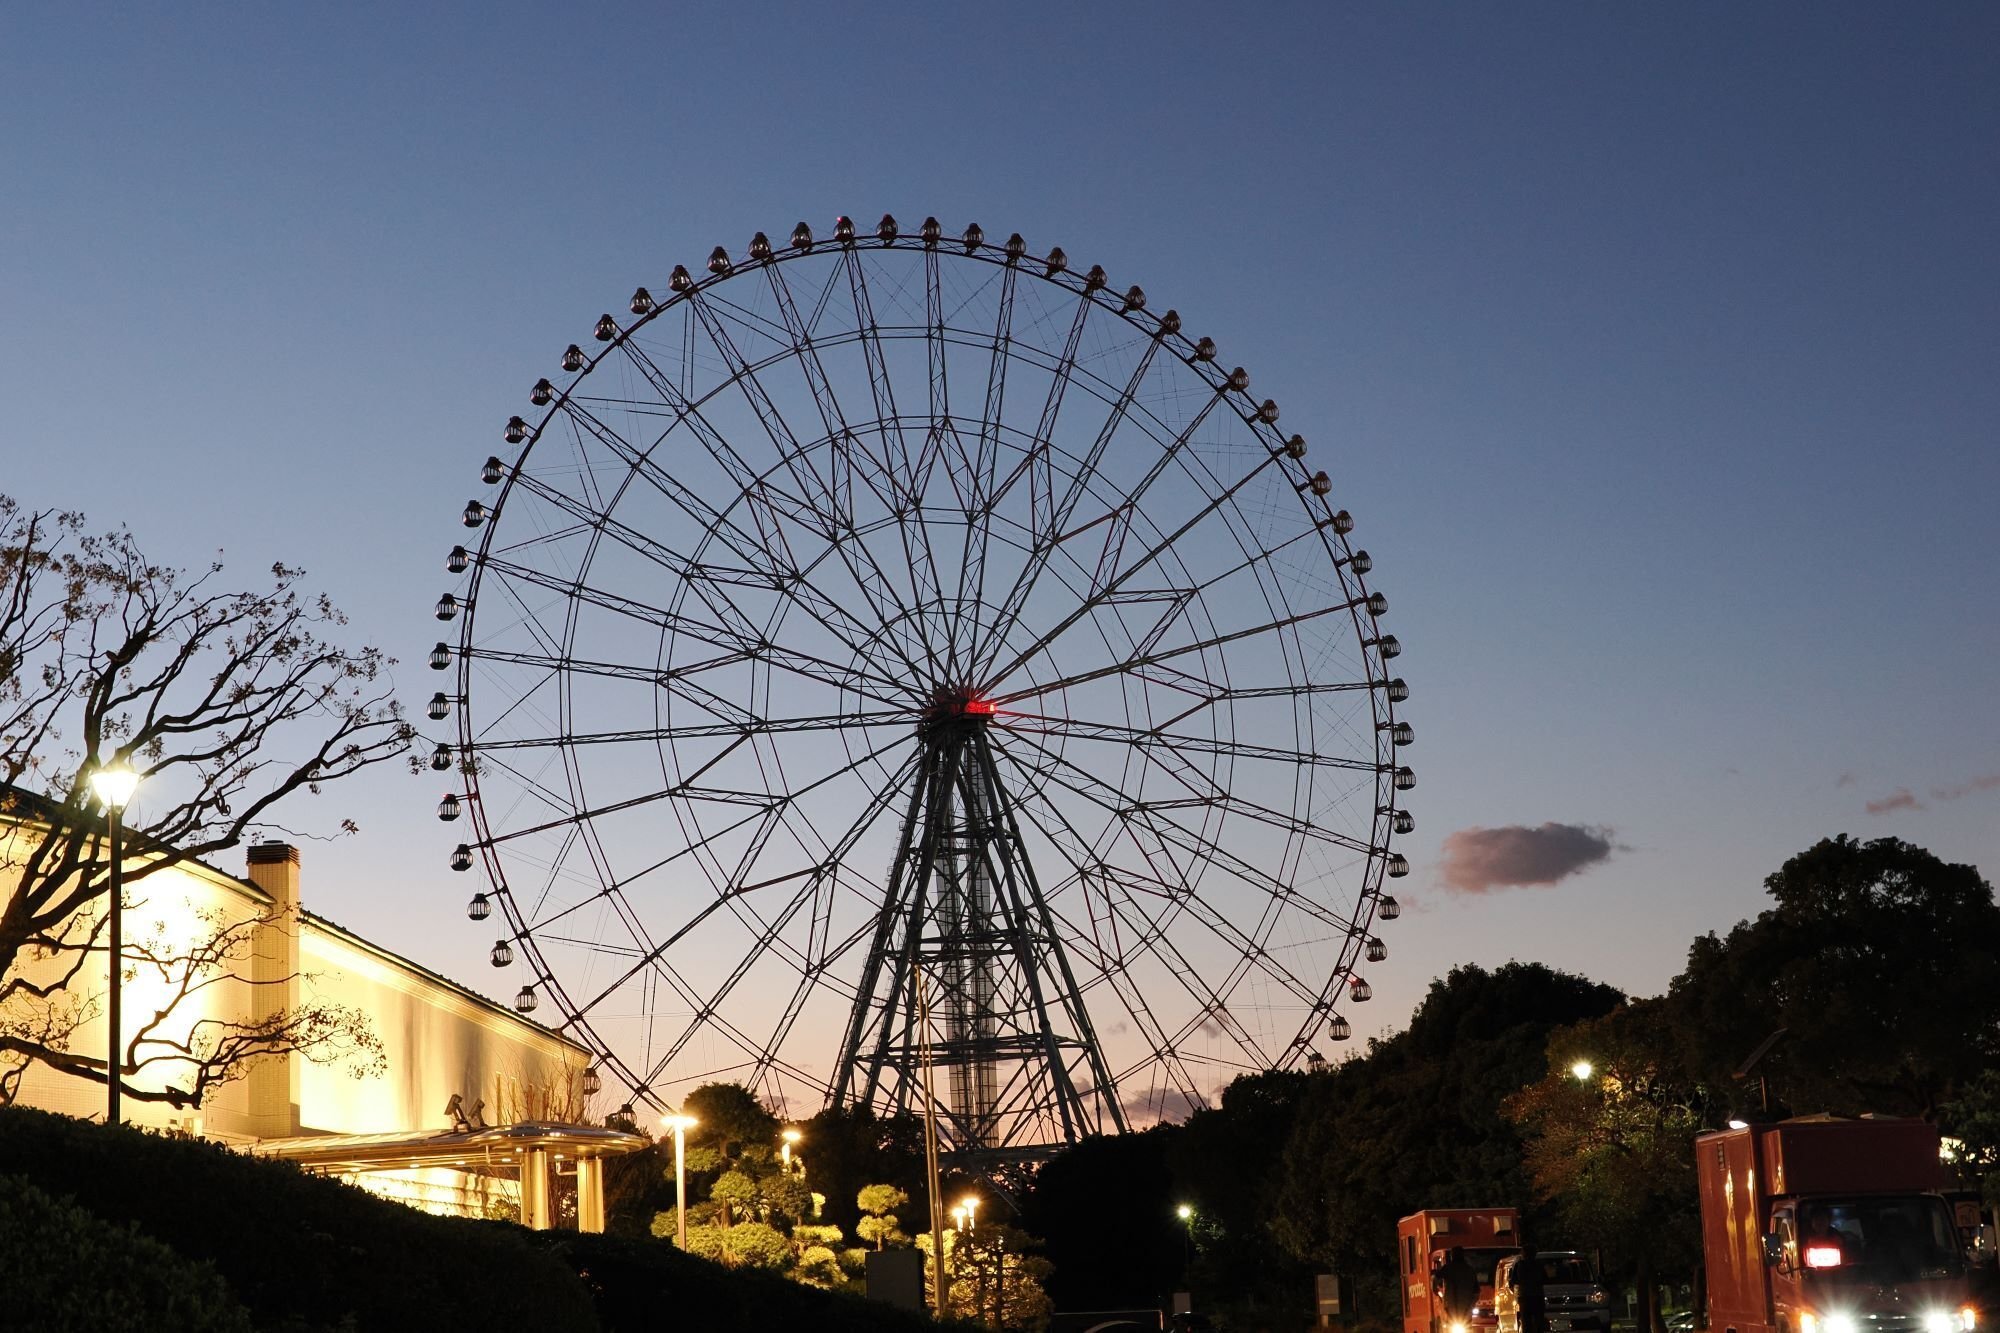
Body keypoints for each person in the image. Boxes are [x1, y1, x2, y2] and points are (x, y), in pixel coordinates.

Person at [1438, 1248, 1482, 1330]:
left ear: (1452, 1256)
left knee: (1451, 1327)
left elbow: (1437, 1277)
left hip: (1451, 1308)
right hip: (1466, 1309)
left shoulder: (1448, 1268)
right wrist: (1471, 1304)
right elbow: (1477, 1291)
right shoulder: (1470, 1270)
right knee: (1466, 1327)